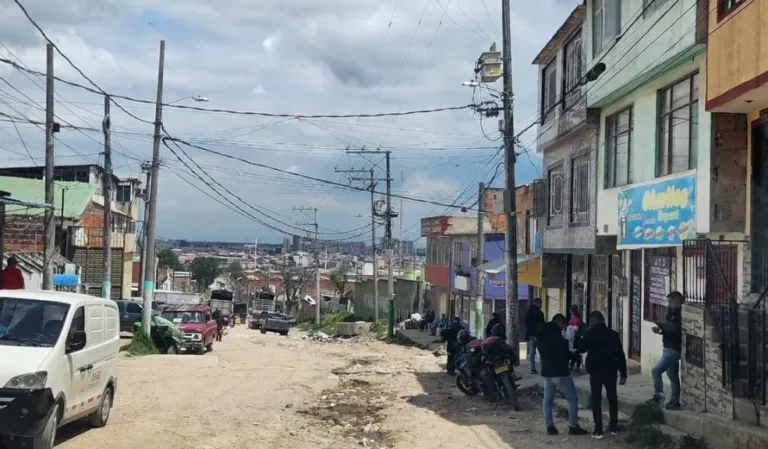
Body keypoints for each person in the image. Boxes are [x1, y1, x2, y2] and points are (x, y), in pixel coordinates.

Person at [537, 314, 588, 436]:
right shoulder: (557, 337)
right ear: (559, 323)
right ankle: (573, 426)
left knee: (548, 399)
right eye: (562, 325)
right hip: (560, 372)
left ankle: (550, 426)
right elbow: (564, 354)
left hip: (546, 372)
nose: (563, 328)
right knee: (572, 398)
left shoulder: (542, 335)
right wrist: (573, 355)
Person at [578, 310, 627, 439]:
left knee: (596, 399)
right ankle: (613, 427)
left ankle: (598, 430)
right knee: (612, 398)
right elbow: (620, 355)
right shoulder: (613, 334)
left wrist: (585, 334)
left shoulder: (590, 334)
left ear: (592, 322)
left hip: (595, 371)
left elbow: (581, 349)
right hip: (610, 370)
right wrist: (623, 373)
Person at [649, 291, 684, 410]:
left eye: (671, 301)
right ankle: (675, 402)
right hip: (668, 347)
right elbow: (669, 329)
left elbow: (675, 333)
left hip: (673, 349)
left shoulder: (680, 315)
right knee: (673, 376)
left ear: (677, 301)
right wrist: (661, 328)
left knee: (655, 371)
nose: (669, 304)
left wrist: (661, 331)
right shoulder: (671, 313)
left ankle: (658, 397)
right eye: (668, 301)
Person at [525, 298, 545, 374]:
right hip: (538, 335)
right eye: (540, 303)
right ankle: (544, 368)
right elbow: (541, 325)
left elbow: (526, 324)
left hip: (531, 335)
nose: (541, 305)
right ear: (537, 303)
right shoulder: (539, 313)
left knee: (532, 352)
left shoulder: (528, 312)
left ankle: (532, 368)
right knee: (542, 351)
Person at [566, 305, 584, 373]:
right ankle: (576, 367)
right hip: (576, 338)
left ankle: (573, 366)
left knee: (575, 353)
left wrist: (570, 333)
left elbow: (575, 329)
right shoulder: (576, 318)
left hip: (575, 339)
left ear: (572, 311)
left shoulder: (575, 319)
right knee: (576, 353)